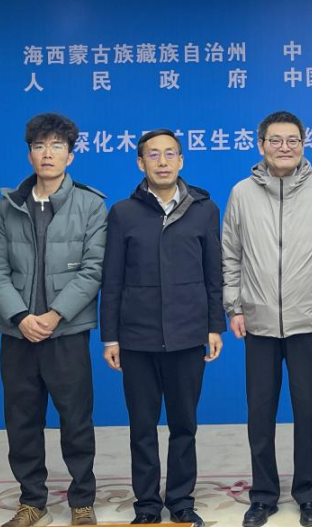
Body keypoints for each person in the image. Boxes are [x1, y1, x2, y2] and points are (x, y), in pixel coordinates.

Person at [222, 111, 312, 527]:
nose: (284, 147)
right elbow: (230, 254)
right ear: (261, 145)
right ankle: (263, 496)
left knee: (309, 411)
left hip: (309, 318)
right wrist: (234, 306)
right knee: (260, 414)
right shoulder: (242, 193)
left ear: (303, 145)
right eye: (275, 140)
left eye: (293, 140)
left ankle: (310, 494)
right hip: (257, 320)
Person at [0, 112, 106, 527]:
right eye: (39, 146)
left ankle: (82, 500)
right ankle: (31, 500)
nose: (47, 153)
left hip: (66, 332)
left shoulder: (91, 205)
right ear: (30, 154)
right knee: (21, 420)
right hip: (17, 333)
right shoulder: (7, 207)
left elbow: (94, 269)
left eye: (57, 146)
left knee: (76, 420)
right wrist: (20, 316)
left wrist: (55, 315)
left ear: (71, 155)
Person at [100, 129, 225, 527]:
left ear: (182, 160)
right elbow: (112, 279)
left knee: (184, 425)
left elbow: (214, 274)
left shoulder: (204, 209)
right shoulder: (123, 213)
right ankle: (147, 506)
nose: (163, 161)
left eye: (171, 153)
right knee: (142, 427)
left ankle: (182, 501)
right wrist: (110, 336)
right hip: (137, 338)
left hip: (189, 334)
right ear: (140, 163)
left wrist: (214, 326)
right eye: (153, 155)